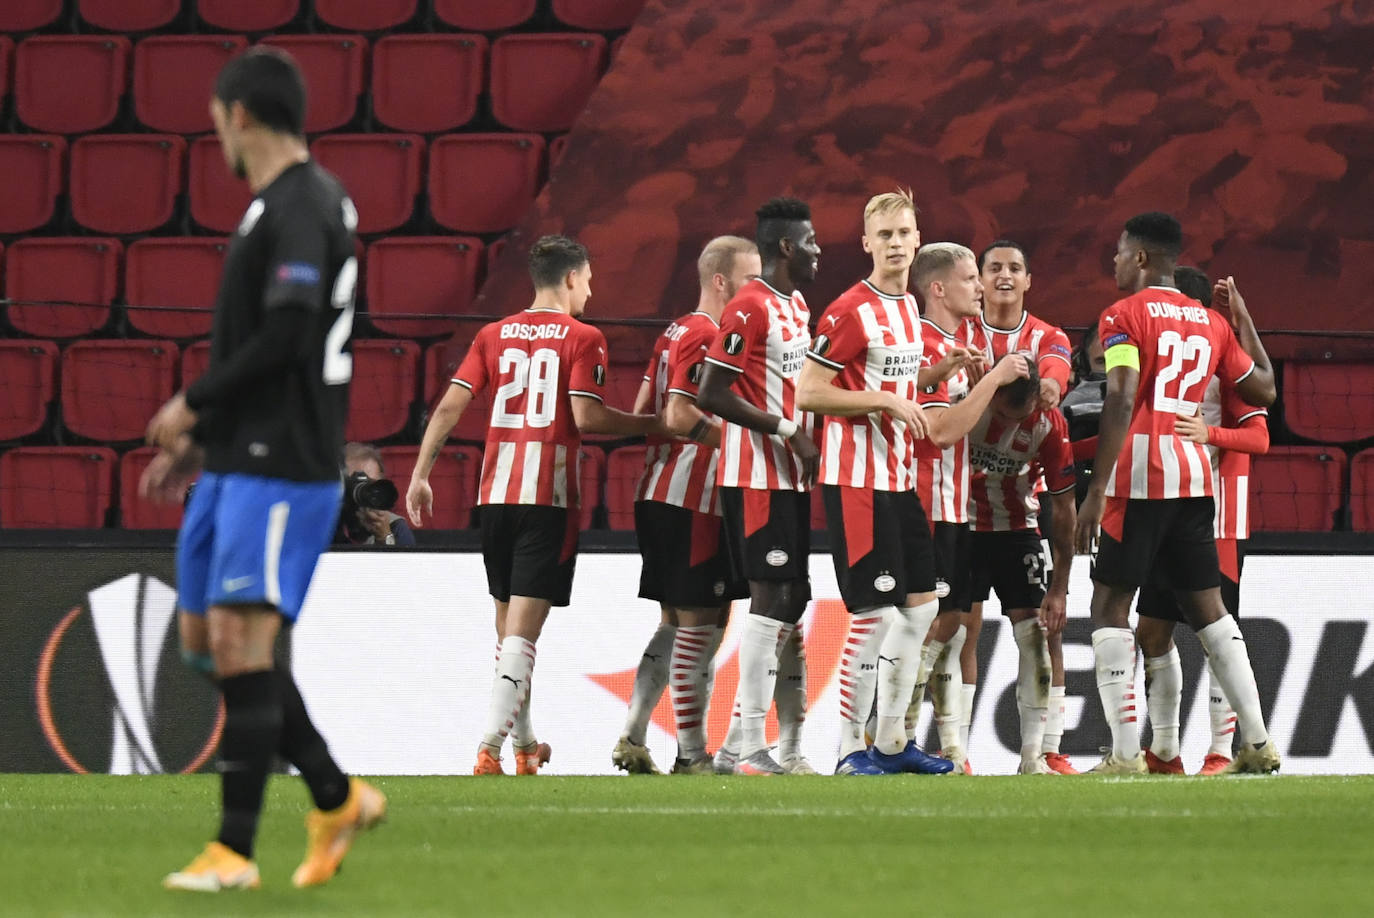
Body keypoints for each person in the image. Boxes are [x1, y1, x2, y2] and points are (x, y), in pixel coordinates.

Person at [141, 47, 385, 892]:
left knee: (245, 645)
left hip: (284, 465)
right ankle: (335, 794)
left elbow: (287, 336)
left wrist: (193, 405)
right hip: (239, 461)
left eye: (215, 121)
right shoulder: (276, 207)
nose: (216, 135)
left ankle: (234, 852)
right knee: (206, 648)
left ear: (238, 114)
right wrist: (208, 442)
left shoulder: (306, 206)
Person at [406, 235, 661, 776]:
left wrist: (422, 473)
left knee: (509, 638)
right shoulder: (583, 337)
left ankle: (524, 747)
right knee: (522, 636)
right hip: (548, 499)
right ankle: (488, 747)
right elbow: (588, 418)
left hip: (495, 496)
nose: (591, 292)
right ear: (571, 278)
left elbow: (452, 403)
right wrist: (651, 425)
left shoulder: (492, 334)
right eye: (589, 281)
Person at [1074, 211, 1280, 775]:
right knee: (1211, 612)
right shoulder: (1210, 323)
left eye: (1118, 253)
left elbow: (1118, 399)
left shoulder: (1121, 316)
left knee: (1110, 605)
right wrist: (1244, 322)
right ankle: (1258, 743)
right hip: (1194, 482)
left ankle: (1123, 755)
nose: (1114, 263)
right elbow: (1264, 386)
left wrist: (1095, 493)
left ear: (1140, 257)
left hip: (1137, 483)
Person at [793, 190, 952, 776]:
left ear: (917, 238)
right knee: (874, 615)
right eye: (883, 235)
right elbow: (809, 392)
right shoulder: (848, 310)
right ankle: (846, 750)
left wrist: (942, 370)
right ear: (866, 243)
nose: (894, 243)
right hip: (855, 481)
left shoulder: (909, 307)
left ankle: (891, 743)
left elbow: (898, 383)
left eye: (903, 232)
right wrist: (882, 398)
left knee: (919, 610)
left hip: (898, 478)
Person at [612, 235, 760, 775]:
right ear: (720, 281)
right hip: (692, 498)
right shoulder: (706, 333)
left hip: (659, 493)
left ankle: (632, 734)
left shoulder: (674, 330)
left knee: (676, 623)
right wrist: (741, 442)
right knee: (704, 623)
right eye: (750, 279)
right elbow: (676, 416)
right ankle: (693, 756)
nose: (757, 290)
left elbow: (642, 410)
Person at [695, 197, 821, 776]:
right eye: (812, 241)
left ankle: (734, 748)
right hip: (754, 475)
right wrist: (788, 428)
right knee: (772, 597)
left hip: (790, 476)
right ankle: (748, 744)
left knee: (792, 598)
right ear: (787, 246)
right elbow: (711, 394)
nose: (820, 250)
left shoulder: (797, 305)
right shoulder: (748, 307)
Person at [1133, 266, 1271, 776]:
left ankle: (1221, 749)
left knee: (1216, 633)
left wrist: (1208, 435)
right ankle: (1164, 750)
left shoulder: (1225, 368)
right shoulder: (1161, 370)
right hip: (1163, 507)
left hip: (1219, 521)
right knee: (1151, 632)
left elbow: (1260, 437)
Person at [908, 243, 1029, 774]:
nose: (980, 288)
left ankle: (950, 747)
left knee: (952, 621)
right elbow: (940, 430)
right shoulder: (920, 342)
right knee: (921, 624)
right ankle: (888, 733)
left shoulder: (954, 347)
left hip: (954, 506)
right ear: (938, 289)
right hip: (922, 503)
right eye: (969, 279)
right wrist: (993, 379)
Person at [974, 240, 1079, 773]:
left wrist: (1052, 392)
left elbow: (1058, 367)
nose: (1005, 276)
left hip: (1017, 521)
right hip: (958, 518)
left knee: (1039, 631)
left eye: (1015, 267)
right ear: (979, 278)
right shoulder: (963, 334)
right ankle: (951, 750)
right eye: (995, 268)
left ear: (1029, 279)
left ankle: (1045, 751)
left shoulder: (1047, 337)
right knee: (952, 629)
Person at [334, 442, 416, 546]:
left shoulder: (395, 526)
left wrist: (384, 536)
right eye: (354, 483)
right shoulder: (325, 523)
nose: (363, 491)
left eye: (370, 484)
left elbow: (401, 562)